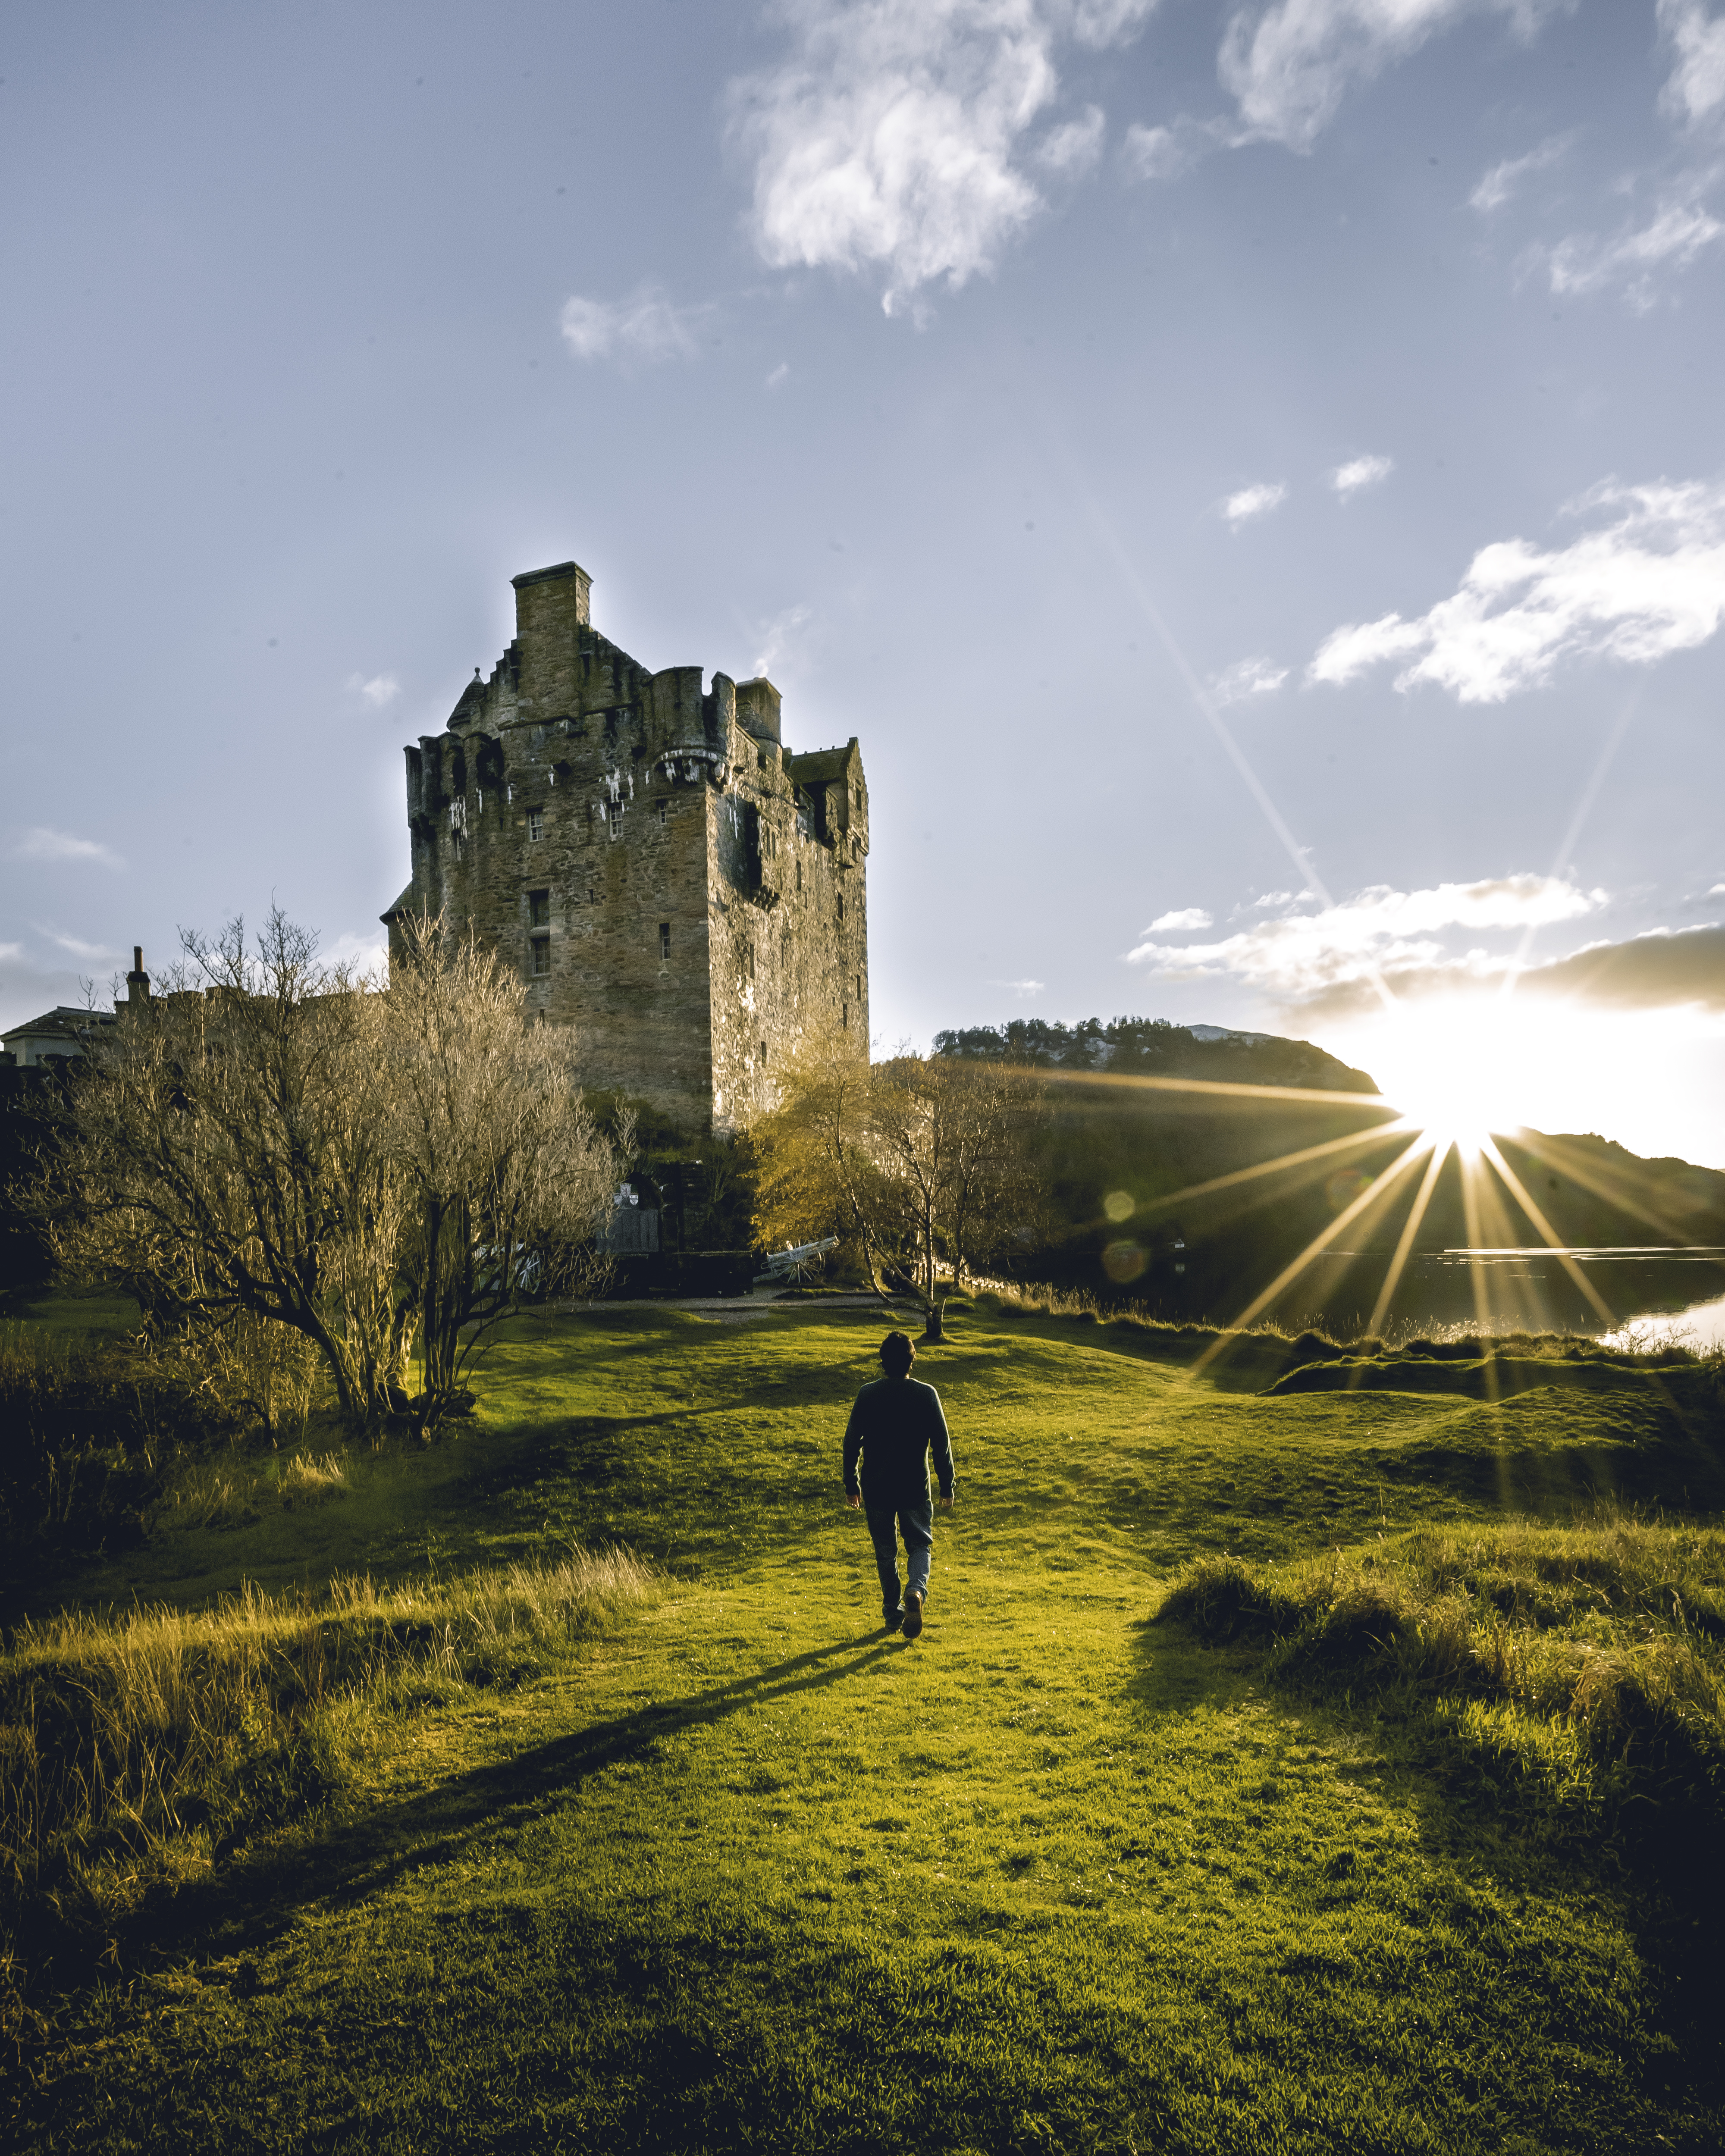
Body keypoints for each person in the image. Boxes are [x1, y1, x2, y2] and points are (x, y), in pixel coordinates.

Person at [843, 1330, 955, 1640]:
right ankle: (916, 1592)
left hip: (877, 1487)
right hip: (914, 1488)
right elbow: (941, 1445)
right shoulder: (926, 1394)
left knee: (885, 1553)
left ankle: (893, 1614)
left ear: (882, 1362)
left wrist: (851, 1484)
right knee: (920, 1544)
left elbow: (851, 1443)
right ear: (912, 1360)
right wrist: (947, 1486)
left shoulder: (868, 1394)